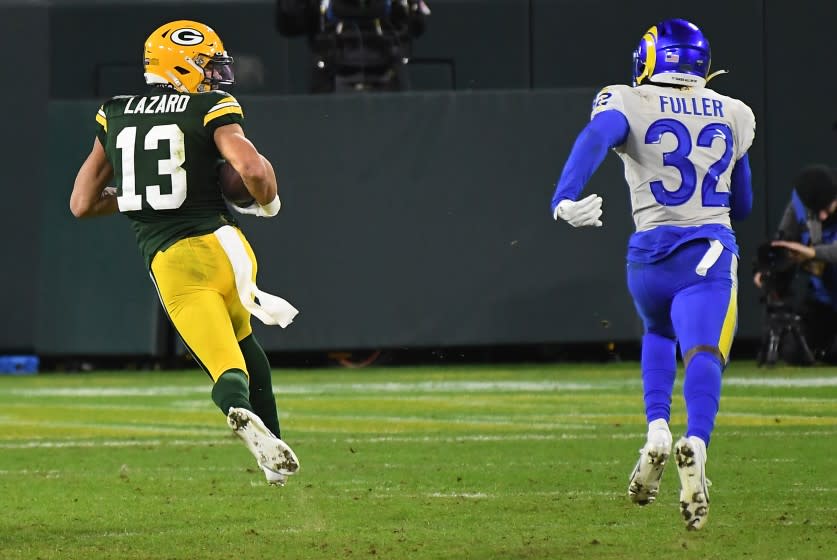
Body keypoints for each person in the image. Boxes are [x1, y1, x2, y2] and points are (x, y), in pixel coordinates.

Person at [70, 20, 301, 486]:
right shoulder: (209, 106)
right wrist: (270, 203)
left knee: (225, 367)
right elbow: (251, 167)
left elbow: (80, 203)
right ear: (181, 63)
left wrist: (134, 192)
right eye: (208, 65)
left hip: (173, 260)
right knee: (244, 343)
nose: (215, 76)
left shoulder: (113, 111)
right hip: (227, 249)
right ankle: (274, 459)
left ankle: (240, 412)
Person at [549, 18, 755, 530]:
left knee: (658, 332)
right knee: (706, 351)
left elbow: (596, 137)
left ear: (652, 57)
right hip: (705, 250)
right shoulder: (733, 111)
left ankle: (657, 430)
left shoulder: (628, 100)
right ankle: (697, 444)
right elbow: (743, 204)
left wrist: (564, 197)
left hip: (646, 258)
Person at [754, 164, 837, 363]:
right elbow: (784, 239)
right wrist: (768, 269)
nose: (823, 216)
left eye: (827, 208)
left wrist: (812, 252)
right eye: (817, 211)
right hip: (822, 299)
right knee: (792, 351)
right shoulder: (800, 203)